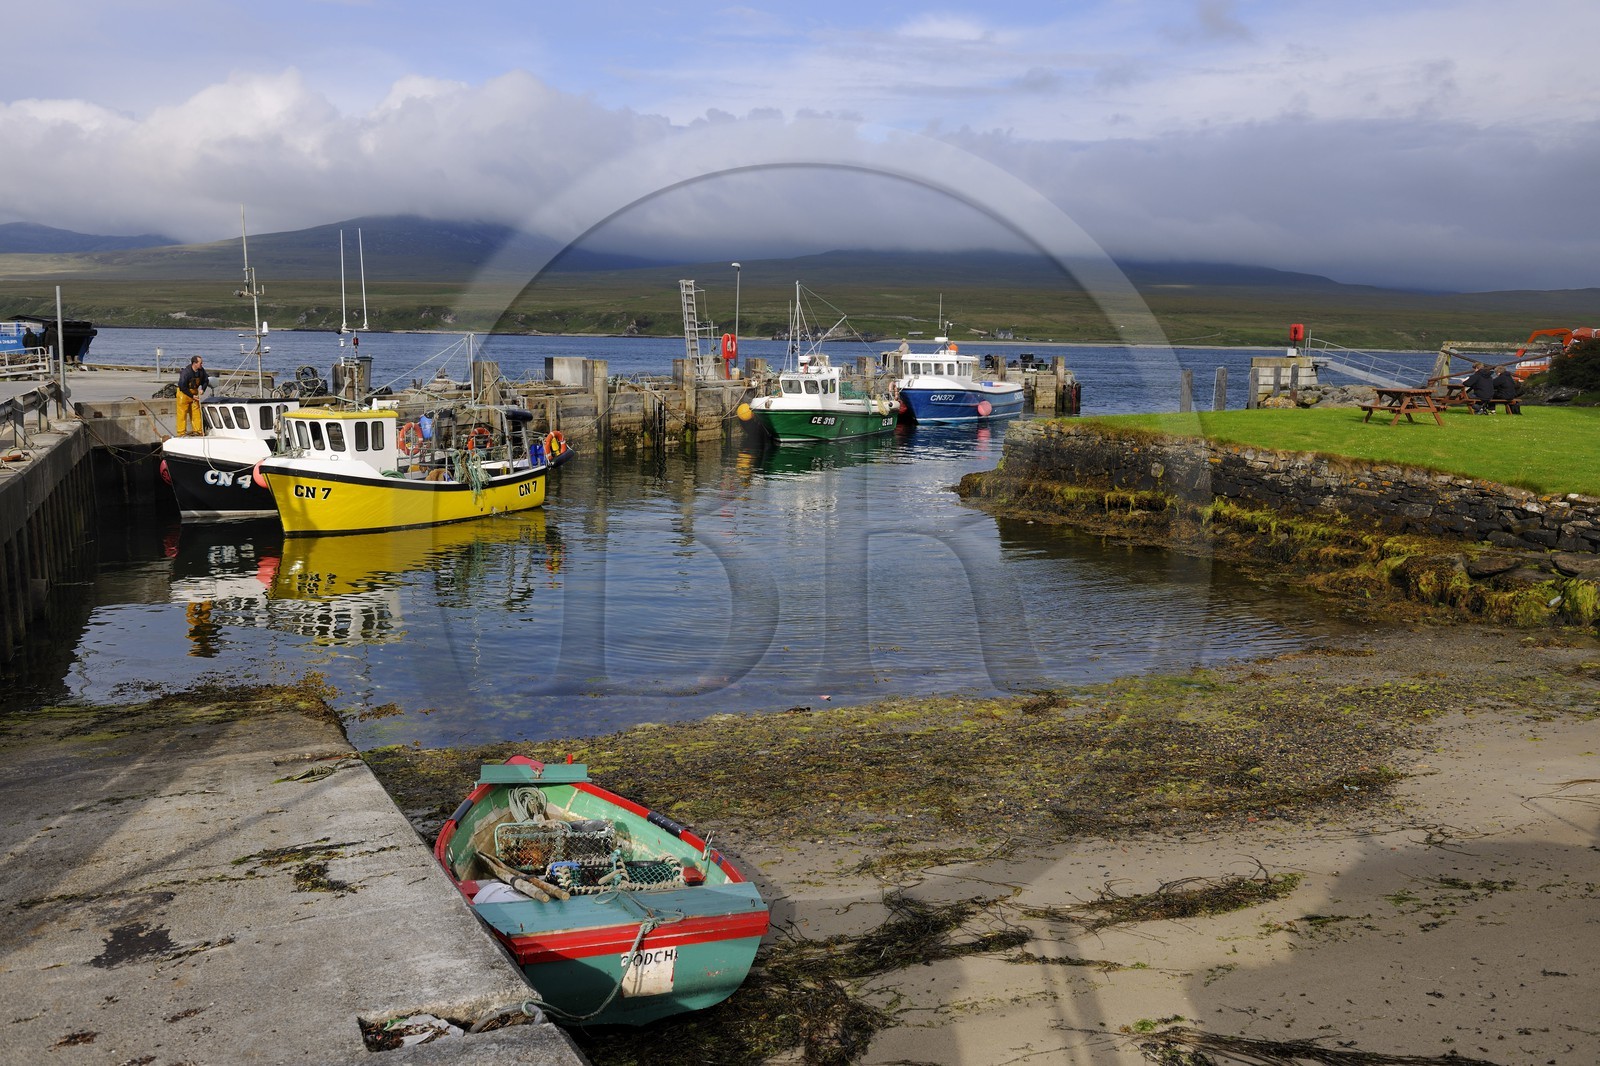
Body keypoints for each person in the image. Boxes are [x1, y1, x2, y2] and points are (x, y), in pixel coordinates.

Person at [175, 355, 209, 436]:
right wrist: (191, 395)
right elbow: (182, 386)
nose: (202, 364)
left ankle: (198, 431)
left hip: (194, 393)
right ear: (195, 363)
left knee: (196, 413)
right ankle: (181, 433)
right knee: (182, 414)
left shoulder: (201, 371)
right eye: (200, 363)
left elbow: (206, 380)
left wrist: (202, 389)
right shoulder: (186, 372)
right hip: (184, 394)